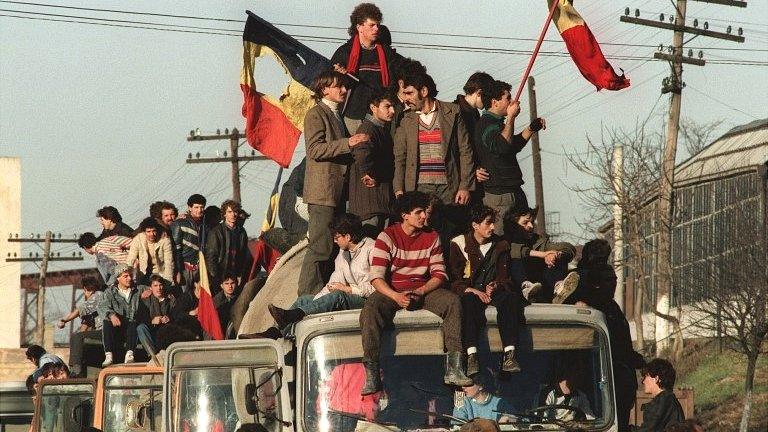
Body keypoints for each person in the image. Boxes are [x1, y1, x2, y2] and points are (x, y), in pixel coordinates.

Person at [360, 191, 473, 395]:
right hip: (392, 290)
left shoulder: (432, 236)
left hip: (423, 288)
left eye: (425, 212)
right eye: (419, 212)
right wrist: (395, 296)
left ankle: (455, 367)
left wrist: (421, 291)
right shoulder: (386, 236)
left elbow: (439, 274)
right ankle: (372, 372)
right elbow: (376, 277)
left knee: (453, 302)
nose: (424, 217)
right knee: (371, 307)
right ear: (405, 215)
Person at [243, 214, 375, 340]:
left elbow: (376, 287)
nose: (335, 241)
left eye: (337, 237)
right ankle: (274, 331)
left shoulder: (371, 248)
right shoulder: (343, 253)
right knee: (304, 300)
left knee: (337, 296)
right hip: (348, 295)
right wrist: (315, 302)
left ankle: (295, 315)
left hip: (367, 300)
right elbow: (334, 282)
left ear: (348, 236)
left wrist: (348, 289)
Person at [298, 70, 368, 296]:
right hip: (322, 194)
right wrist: (349, 142)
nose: (344, 90)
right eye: (339, 86)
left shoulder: (336, 115)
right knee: (320, 248)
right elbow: (315, 149)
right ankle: (306, 300)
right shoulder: (316, 114)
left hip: (335, 194)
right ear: (324, 89)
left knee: (331, 249)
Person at [567, 239, 645, 431]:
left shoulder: (611, 307)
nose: (613, 285)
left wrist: (635, 360)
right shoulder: (588, 300)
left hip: (619, 380)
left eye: (614, 280)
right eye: (608, 281)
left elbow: (621, 344)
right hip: (596, 379)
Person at [448, 206, 523, 376]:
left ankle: (509, 354)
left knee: (510, 299)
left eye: (493, 223)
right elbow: (454, 278)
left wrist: (496, 285)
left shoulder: (501, 244)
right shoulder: (458, 243)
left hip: (494, 289)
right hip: (471, 290)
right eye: (488, 223)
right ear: (475, 225)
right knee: (467, 303)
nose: (492, 227)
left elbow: (505, 277)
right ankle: (472, 354)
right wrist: (471, 290)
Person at [475, 80, 546, 235]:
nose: (512, 102)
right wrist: (511, 118)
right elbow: (503, 146)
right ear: (494, 102)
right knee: (501, 241)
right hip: (500, 197)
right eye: (508, 98)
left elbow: (512, 147)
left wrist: (531, 128)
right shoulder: (486, 125)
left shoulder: (497, 124)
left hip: (513, 192)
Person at [331, 3, 400, 133]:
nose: (376, 29)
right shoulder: (344, 53)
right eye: (372, 25)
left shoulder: (387, 53)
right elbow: (329, 84)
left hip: (379, 117)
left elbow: (396, 80)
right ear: (359, 27)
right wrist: (340, 76)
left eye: (377, 25)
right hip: (352, 116)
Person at [504, 204, 578, 304]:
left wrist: (556, 254)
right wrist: (542, 254)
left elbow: (569, 248)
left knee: (557, 256)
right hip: (515, 288)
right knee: (517, 259)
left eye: (532, 222)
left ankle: (559, 291)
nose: (531, 226)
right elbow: (516, 251)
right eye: (525, 223)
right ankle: (526, 288)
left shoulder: (538, 240)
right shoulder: (505, 242)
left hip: (542, 286)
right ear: (514, 226)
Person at [349, 89, 396, 235]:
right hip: (370, 204)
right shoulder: (368, 128)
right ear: (373, 108)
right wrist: (368, 173)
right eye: (387, 106)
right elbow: (362, 153)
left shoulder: (379, 129)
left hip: (378, 203)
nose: (392, 111)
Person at [98, 263, 141, 366]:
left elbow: (153, 289)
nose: (129, 278)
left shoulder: (137, 290)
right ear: (118, 278)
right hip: (116, 328)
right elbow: (102, 307)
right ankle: (108, 355)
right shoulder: (109, 292)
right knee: (107, 322)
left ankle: (129, 355)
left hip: (131, 329)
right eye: (125, 276)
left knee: (133, 322)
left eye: (130, 275)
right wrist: (112, 315)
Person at [205, 200, 252, 295]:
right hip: (220, 273)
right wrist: (216, 278)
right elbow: (211, 256)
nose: (233, 214)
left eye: (235, 212)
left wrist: (240, 274)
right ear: (224, 214)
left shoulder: (241, 232)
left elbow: (242, 255)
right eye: (229, 212)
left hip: (235, 274)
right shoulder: (216, 231)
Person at [60, 276, 103, 377]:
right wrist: (80, 337)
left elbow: (80, 309)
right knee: (78, 338)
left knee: (76, 337)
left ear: (85, 289)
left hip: (105, 331)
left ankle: (75, 369)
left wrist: (64, 320)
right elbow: (86, 323)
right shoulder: (95, 303)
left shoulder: (98, 295)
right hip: (101, 331)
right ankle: (78, 369)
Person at [632, 359, 685, 432]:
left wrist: (624, 428)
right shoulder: (668, 399)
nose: (643, 381)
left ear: (656, 379)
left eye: (646, 376)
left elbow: (647, 430)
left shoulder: (663, 401)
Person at [171, 194, 208, 293]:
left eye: (201, 207)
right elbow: (175, 250)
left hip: (200, 268)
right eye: (196, 207)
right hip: (184, 267)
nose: (199, 210)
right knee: (185, 296)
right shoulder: (179, 223)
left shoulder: (205, 225)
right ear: (189, 208)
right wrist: (178, 270)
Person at [127, 217, 174, 285]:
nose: (152, 234)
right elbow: (131, 258)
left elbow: (169, 262)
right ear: (144, 232)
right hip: (144, 274)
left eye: (154, 231)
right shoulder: (138, 239)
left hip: (161, 273)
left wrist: (168, 282)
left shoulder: (164, 240)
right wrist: (128, 276)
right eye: (148, 231)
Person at [136, 274, 175, 356]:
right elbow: (140, 317)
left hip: (166, 332)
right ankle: (153, 356)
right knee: (141, 328)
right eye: (155, 285)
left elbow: (177, 313)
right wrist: (152, 321)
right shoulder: (146, 300)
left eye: (160, 285)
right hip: (152, 331)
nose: (158, 288)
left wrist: (169, 318)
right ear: (150, 288)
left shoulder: (170, 299)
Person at [213, 273, 239, 338]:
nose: (230, 286)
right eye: (227, 284)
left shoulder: (240, 297)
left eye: (232, 283)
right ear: (221, 285)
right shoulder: (216, 301)